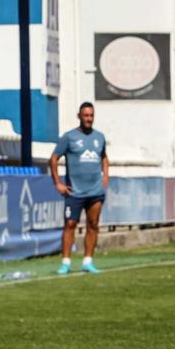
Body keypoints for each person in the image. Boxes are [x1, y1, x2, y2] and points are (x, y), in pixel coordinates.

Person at [50, 102, 109, 275]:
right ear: (79, 116)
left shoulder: (100, 137)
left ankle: (88, 261)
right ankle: (66, 263)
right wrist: (58, 183)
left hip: (95, 191)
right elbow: (53, 159)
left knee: (93, 224)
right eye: (86, 116)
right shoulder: (69, 137)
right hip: (74, 191)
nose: (89, 119)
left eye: (91, 115)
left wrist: (105, 175)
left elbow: (104, 157)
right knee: (70, 224)